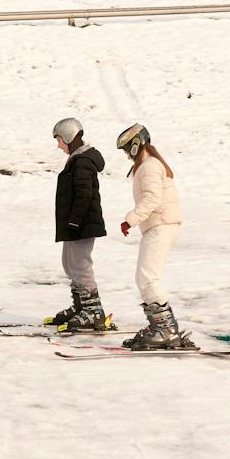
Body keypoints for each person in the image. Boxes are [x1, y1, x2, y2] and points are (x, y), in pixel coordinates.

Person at [115, 123, 194, 350]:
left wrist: (130, 219)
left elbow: (151, 198)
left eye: (126, 150)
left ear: (135, 145)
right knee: (145, 278)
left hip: (161, 224)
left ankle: (166, 331)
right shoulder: (151, 165)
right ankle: (159, 328)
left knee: (147, 278)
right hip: (160, 224)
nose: (126, 156)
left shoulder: (149, 166)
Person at [46, 117, 112, 331]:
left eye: (59, 140)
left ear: (68, 136)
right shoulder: (77, 158)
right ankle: (81, 306)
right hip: (75, 223)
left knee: (80, 266)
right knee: (69, 264)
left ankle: (94, 311)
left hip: (82, 223)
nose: (58, 145)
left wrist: (75, 220)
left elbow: (84, 194)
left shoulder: (82, 161)